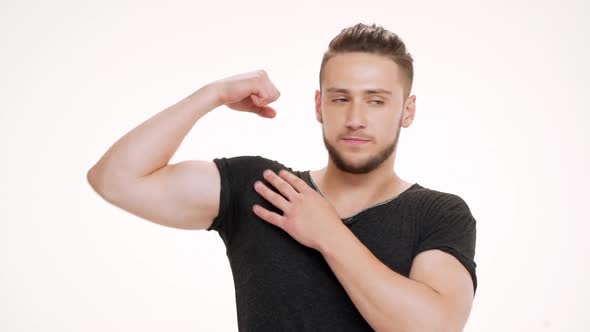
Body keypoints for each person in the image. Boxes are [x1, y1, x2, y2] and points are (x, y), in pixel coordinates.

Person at [87, 22, 477, 331]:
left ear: (407, 111)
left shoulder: (439, 213)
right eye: (341, 98)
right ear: (319, 105)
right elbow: (116, 180)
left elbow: (432, 326)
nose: (356, 118)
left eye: (376, 101)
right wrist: (213, 94)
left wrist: (327, 233)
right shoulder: (265, 189)